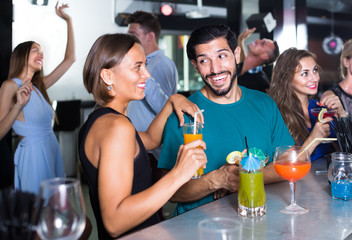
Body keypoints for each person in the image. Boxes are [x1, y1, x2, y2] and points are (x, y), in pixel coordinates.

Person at [79, 33, 206, 239]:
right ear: (108, 76)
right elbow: (114, 221)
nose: (147, 74)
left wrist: (171, 102)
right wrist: (179, 174)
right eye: (137, 67)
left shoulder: (99, 121)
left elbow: (149, 139)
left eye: (145, 65)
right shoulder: (117, 127)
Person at [157, 24, 294, 215]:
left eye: (222, 56)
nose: (215, 69)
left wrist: (242, 178)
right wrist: (215, 180)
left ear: (236, 55)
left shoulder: (264, 104)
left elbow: (288, 161)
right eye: (204, 61)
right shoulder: (184, 115)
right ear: (195, 65)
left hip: (262, 218)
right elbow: (169, 192)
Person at [0, 2, 75, 194]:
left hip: (51, 149)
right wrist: (17, 106)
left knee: (55, 211)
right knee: (37, 214)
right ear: (22, 56)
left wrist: (68, 21)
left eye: (41, 51)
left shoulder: (39, 86)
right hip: (32, 155)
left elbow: (70, 59)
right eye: (35, 50)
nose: (41, 54)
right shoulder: (10, 86)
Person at [267, 48, 347, 161]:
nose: (314, 78)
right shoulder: (276, 113)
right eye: (305, 73)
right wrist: (314, 138)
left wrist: (342, 112)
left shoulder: (320, 108)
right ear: (287, 79)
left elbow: (351, 150)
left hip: (323, 176)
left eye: (315, 70)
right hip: (295, 178)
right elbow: (284, 164)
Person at [126, 11, 178, 161]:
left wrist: (139, 71)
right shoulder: (145, 63)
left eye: (133, 35)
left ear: (150, 37)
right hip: (138, 145)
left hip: (151, 152)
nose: (129, 40)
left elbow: (165, 107)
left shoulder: (161, 64)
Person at [237, 27, 280, 92]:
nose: (257, 40)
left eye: (262, 43)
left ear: (265, 56)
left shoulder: (261, 84)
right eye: (261, 40)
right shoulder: (238, 66)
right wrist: (240, 40)